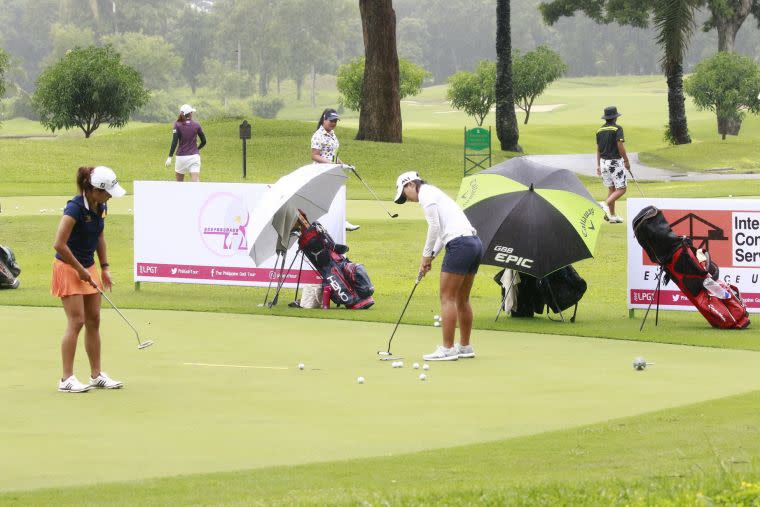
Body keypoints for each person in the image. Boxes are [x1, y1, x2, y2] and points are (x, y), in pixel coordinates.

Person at [394, 171, 484, 361]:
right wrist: (431, 257)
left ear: (410, 184)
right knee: (462, 298)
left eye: (404, 194)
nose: (407, 199)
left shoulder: (426, 195)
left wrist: (425, 256)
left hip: (460, 245)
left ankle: (448, 349)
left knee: (447, 298)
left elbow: (434, 227)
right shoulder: (435, 193)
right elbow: (444, 234)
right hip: (473, 243)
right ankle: (465, 347)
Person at [52, 166, 127, 393]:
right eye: (107, 193)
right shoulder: (74, 209)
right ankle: (66, 379)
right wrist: (79, 270)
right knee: (77, 321)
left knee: (94, 320)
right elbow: (59, 244)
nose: (110, 197)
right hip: (67, 268)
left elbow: (99, 236)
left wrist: (104, 267)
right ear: (94, 190)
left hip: (88, 267)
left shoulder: (101, 206)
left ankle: (96, 375)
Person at [310, 108, 360, 232]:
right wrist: (332, 164)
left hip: (332, 171)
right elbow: (314, 155)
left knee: (336, 196)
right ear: (324, 119)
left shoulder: (332, 134)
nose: (333, 123)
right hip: (321, 172)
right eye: (331, 121)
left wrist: (344, 165)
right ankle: (331, 223)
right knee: (328, 197)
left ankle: (341, 221)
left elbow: (333, 155)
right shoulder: (318, 135)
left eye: (335, 121)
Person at [595, 106, 630, 224]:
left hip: (603, 162)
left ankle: (612, 216)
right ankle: (605, 204)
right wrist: (626, 160)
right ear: (615, 117)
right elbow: (620, 146)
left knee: (612, 188)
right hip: (615, 162)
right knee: (622, 189)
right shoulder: (617, 129)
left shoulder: (599, 131)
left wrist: (598, 165)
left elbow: (598, 149)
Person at [165, 104, 206, 182]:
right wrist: (197, 149)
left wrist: (170, 157)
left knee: (179, 185)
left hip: (181, 158)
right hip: (194, 157)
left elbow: (174, 142)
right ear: (190, 114)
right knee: (195, 183)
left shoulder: (177, 125)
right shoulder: (196, 125)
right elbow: (204, 141)